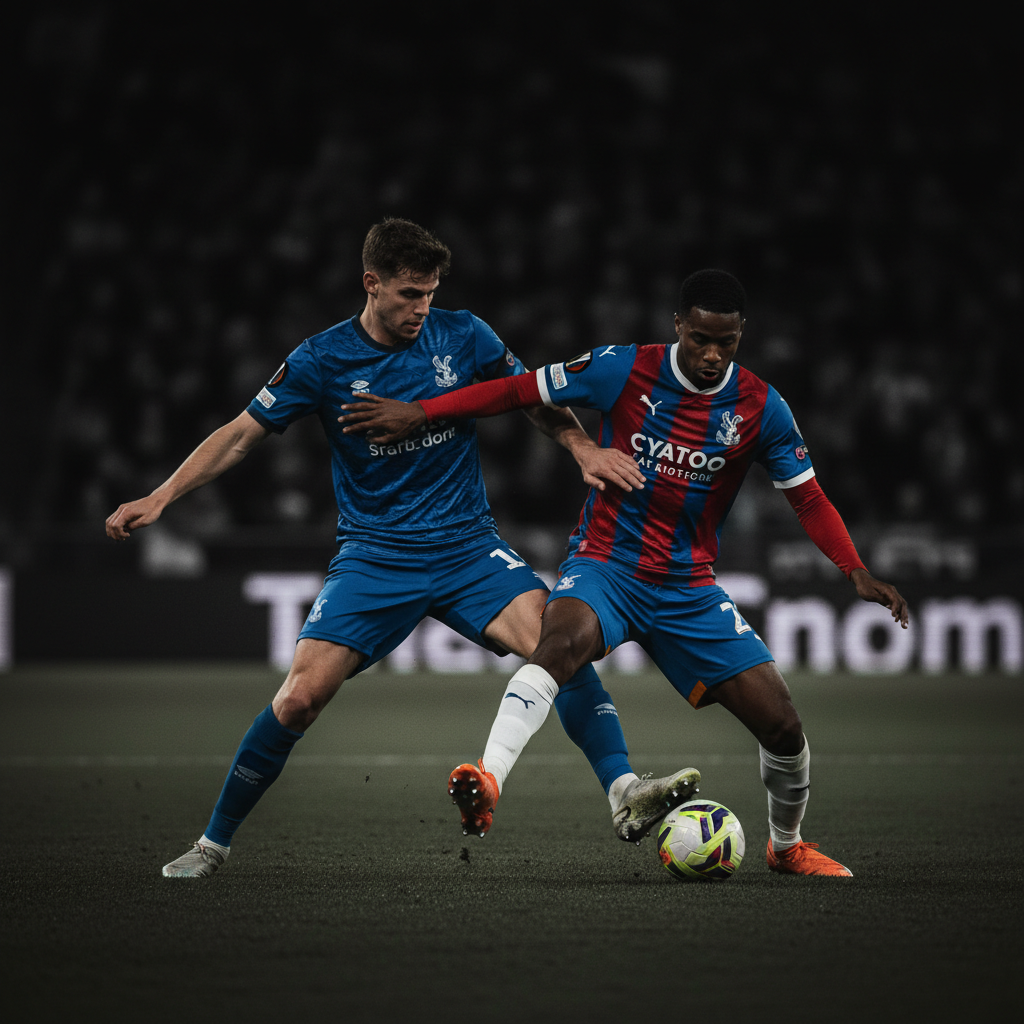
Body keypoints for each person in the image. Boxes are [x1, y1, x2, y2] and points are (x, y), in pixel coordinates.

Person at [105, 218, 699, 879]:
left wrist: (582, 447)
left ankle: (623, 792)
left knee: (558, 648)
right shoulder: (323, 359)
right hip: (375, 557)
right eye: (410, 293)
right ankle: (211, 844)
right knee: (299, 699)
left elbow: (534, 397)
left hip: (469, 549)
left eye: (430, 293)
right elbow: (243, 434)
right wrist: (161, 496)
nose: (422, 308)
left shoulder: (464, 333)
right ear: (373, 283)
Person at [340, 268, 910, 877]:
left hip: (687, 588)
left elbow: (809, 498)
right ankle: (490, 778)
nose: (712, 354)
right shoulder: (623, 369)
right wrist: (422, 412)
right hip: (605, 566)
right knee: (558, 646)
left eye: (726, 342)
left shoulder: (759, 406)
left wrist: (853, 568)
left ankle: (786, 846)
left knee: (784, 725)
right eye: (700, 340)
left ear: (742, 334)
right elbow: (517, 391)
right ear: (678, 327)